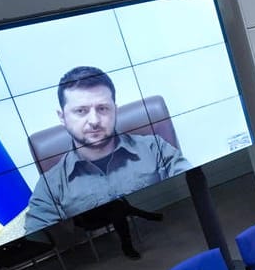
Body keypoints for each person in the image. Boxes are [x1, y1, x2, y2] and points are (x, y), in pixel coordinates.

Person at [25, 66, 188, 235]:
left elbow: (190, 185)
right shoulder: (50, 185)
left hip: (174, 236)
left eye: (102, 108)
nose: (94, 121)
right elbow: (38, 239)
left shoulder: (154, 148)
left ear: (115, 110)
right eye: (81, 111)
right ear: (62, 117)